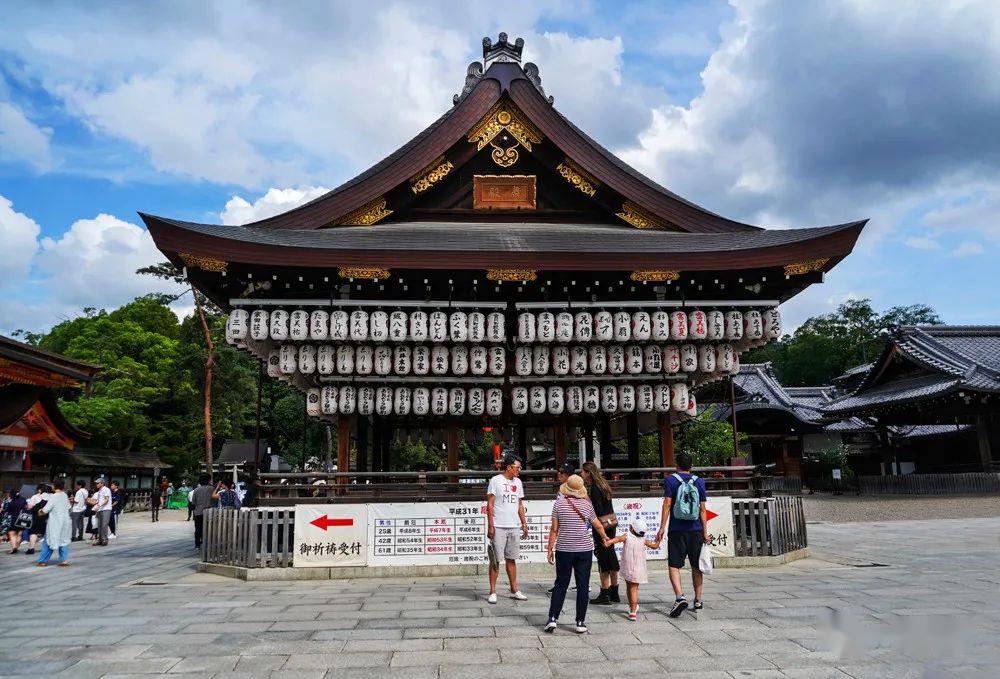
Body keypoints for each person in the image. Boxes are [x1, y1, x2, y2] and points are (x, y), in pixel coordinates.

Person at [544, 474, 609, 634]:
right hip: (584, 550)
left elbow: (554, 529)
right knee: (582, 585)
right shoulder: (587, 505)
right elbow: (598, 525)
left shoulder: (558, 505)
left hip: (564, 549)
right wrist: (605, 538)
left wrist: (549, 548)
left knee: (560, 584)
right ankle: (580, 622)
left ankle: (553, 618)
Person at [655, 452, 710, 617]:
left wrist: (662, 527)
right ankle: (698, 600)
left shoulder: (671, 480)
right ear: (691, 466)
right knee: (696, 565)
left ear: (676, 465)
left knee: (674, 565)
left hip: (677, 529)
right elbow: (702, 509)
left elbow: (667, 504)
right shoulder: (699, 481)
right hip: (696, 530)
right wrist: (705, 532)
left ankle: (680, 597)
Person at [486, 455, 529, 604]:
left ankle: (514, 589)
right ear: (509, 467)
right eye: (518, 468)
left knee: (512, 559)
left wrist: (524, 523)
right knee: (495, 560)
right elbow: (490, 504)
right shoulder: (495, 480)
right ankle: (492, 591)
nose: (519, 470)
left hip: (514, 525)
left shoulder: (518, 482)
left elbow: (520, 504)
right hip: (498, 525)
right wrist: (490, 525)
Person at [603, 518, 661, 621]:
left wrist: (608, 542)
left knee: (629, 588)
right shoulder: (643, 540)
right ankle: (633, 610)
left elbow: (617, 539)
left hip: (627, 568)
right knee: (634, 589)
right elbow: (655, 546)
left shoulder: (627, 536)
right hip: (638, 570)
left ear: (632, 529)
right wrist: (658, 539)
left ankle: (632, 608)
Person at [581, 461, 620, 606]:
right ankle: (614, 591)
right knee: (611, 556)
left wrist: (586, 499)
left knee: (604, 558)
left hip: (602, 526)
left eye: (583, 472)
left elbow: (596, 510)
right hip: (611, 524)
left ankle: (605, 593)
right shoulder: (604, 485)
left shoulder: (595, 489)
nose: (581, 474)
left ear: (588, 473)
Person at [546, 462, 577, 595]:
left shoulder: (576, 490)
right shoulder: (560, 489)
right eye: (559, 472)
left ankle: (581, 583)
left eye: (562, 473)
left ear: (569, 476)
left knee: (576, 555)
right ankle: (559, 583)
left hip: (574, 526)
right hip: (563, 525)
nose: (559, 474)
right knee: (563, 556)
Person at [36, 479, 71, 567]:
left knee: (49, 540)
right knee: (63, 540)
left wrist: (39, 511)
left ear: (55, 486)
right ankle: (64, 560)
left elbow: (46, 510)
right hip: (65, 521)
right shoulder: (65, 495)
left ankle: (43, 560)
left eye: (52, 485)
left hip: (55, 522)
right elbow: (68, 507)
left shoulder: (54, 497)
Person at [190, 475, 215, 549]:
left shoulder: (196, 490)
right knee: (209, 528)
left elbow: (193, 502)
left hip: (198, 512)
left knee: (198, 528)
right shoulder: (212, 489)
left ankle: (197, 544)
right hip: (210, 512)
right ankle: (207, 543)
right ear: (208, 480)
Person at [25, 484, 51, 555]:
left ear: (40, 490)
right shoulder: (51, 496)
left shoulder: (35, 496)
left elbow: (29, 507)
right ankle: (47, 548)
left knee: (33, 532)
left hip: (36, 516)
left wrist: (28, 504)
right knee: (46, 532)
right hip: (47, 516)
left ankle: (31, 548)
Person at [88, 477, 112, 546]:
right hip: (100, 509)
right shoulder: (99, 492)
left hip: (106, 509)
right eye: (96, 483)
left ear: (102, 483)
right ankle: (100, 539)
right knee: (99, 525)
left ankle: (105, 539)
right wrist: (91, 501)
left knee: (104, 524)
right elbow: (97, 501)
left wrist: (99, 504)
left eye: (98, 483)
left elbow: (106, 499)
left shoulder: (106, 489)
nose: (97, 484)